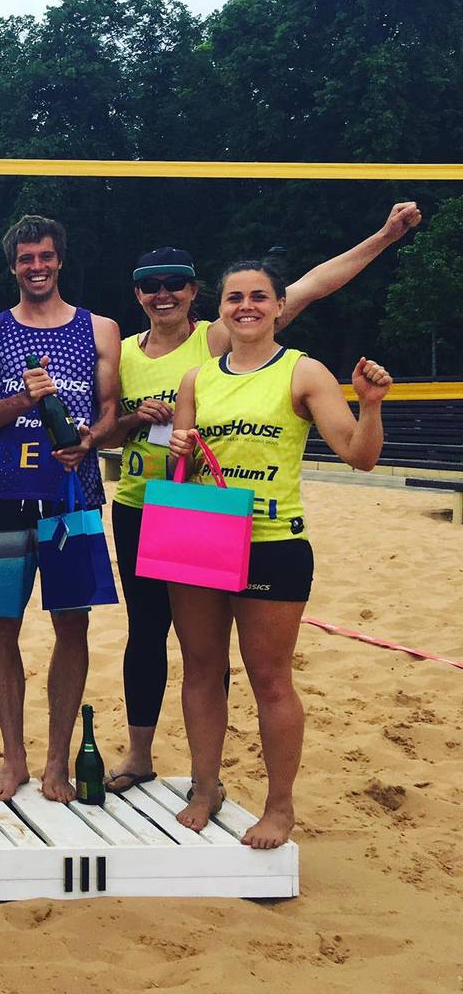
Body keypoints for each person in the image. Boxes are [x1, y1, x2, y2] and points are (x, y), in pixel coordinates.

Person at [96, 202, 422, 793]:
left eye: (174, 283)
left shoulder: (220, 338)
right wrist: (135, 419)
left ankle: (212, 778)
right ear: (137, 293)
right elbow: (106, 429)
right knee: (147, 635)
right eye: (150, 285)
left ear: (196, 292)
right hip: (144, 505)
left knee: (217, 656)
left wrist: (383, 236)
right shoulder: (123, 351)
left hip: (214, 512)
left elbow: (313, 285)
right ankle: (142, 755)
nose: (163, 294)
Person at [167, 259, 392, 849]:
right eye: (235, 297)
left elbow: (360, 457)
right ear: (220, 308)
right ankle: (204, 787)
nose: (246, 306)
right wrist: (178, 449)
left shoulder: (303, 372)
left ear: (278, 305)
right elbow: (178, 475)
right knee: (200, 670)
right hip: (203, 534)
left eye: (258, 297)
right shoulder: (196, 379)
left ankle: (279, 806)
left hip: (272, 541)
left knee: (270, 680)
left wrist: (369, 405)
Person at [0, 216, 120, 802]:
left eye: (46, 256)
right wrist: (24, 399)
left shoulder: (99, 328)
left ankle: (57, 761)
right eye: (26, 258)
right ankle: (14, 759)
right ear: (13, 266)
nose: (37, 266)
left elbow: (110, 412)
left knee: (72, 626)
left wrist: (89, 440)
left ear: (60, 260)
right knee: (1, 625)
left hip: (73, 496)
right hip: (7, 496)